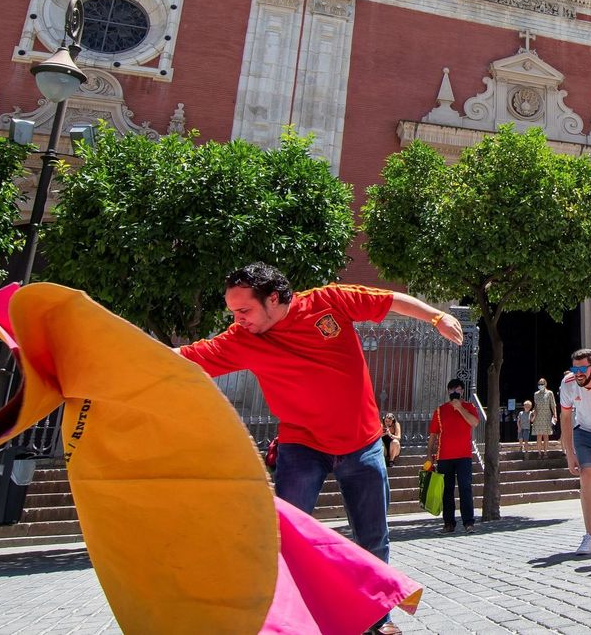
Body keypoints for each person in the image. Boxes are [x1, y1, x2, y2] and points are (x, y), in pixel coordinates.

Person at [177, 263, 462, 635]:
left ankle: (379, 620)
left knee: (372, 538)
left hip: (361, 444)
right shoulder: (241, 339)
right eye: (233, 312)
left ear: (274, 299)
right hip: (301, 446)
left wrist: (437, 316)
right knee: (285, 538)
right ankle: (287, 619)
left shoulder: (328, 302)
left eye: (243, 310)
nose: (238, 319)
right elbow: (181, 357)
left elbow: (390, 300)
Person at [559, 347, 591, 554]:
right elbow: (565, 417)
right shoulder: (569, 383)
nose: (578, 373)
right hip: (584, 431)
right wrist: (569, 452)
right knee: (586, 479)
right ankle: (590, 536)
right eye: (575, 368)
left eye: (582, 369)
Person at [427, 378, 479, 533]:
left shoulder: (469, 407)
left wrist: (460, 409)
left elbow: (475, 422)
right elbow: (433, 434)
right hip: (444, 456)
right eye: (451, 390)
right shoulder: (440, 410)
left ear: (462, 391)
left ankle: (468, 523)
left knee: (465, 488)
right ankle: (448, 523)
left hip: (464, 455)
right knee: (447, 490)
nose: (454, 392)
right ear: (448, 392)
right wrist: (429, 454)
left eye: (457, 389)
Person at [532, 378, 557, 452]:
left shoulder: (549, 393)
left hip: (546, 416)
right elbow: (535, 405)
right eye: (539, 384)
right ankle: (539, 452)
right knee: (539, 435)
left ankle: (545, 452)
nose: (540, 385)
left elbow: (553, 405)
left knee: (546, 435)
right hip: (538, 416)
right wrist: (533, 413)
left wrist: (555, 415)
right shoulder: (536, 394)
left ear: (545, 384)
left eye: (542, 384)